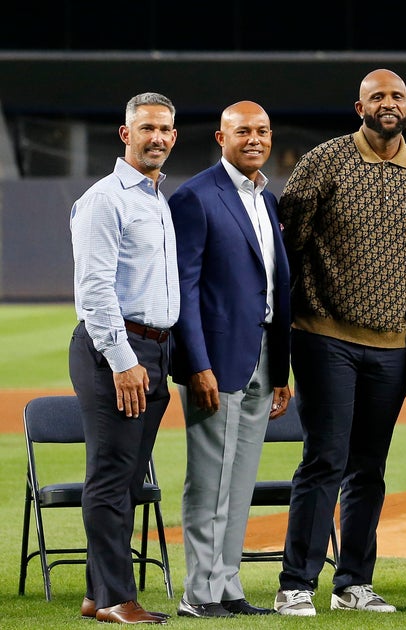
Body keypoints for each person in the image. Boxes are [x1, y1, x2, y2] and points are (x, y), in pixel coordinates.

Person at [273, 68, 406, 617]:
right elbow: (288, 246)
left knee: (369, 467)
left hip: (393, 346)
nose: (387, 104)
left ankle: (353, 583)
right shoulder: (324, 161)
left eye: (396, 96)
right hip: (326, 336)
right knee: (325, 459)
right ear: (360, 106)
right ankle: (296, 583)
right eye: (377, 97)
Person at [168, 101, 291, 618]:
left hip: (263, 354)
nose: (255, 139)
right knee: (210, 480)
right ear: (222, 138)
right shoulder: (195, 197)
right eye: (243, 132)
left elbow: (276, 285)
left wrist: (281, 368)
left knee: (239, 482)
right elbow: (184, 291)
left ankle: (228, 587)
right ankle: (199, 592)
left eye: (262, 131)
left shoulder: (268, 199)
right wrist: (196, 364)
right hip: (216, 360)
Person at [69, 92, 179, 625]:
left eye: (164, 129)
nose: (156, 137)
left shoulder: (158, 198)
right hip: (116, 347)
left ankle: (97, 593)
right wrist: (120, 358)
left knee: (129, 481)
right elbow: (93, 290)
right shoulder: (105, 199)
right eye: (146, 129)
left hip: (156, 348)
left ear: (173, 137)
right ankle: (116, 598)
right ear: (125, 134)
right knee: (111, 477)